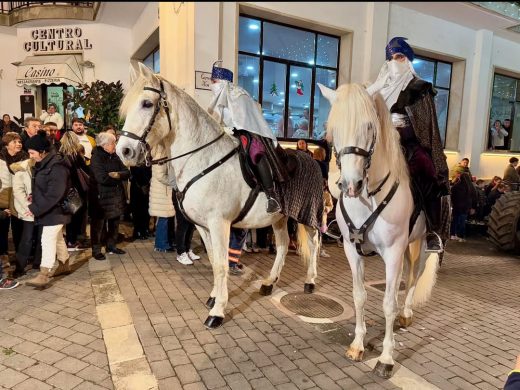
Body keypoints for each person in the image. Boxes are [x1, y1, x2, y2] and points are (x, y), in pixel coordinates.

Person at [367, 36, 450, 253]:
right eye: (391, 58)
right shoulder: (379, 91)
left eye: (400, 57)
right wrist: (374, 89)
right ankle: (343, 220)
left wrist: (400, 131)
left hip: (409, 144)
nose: (395, 61)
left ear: (408, 59)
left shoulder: (420, 88)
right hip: (380, 143)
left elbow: (425, 124)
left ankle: (433, 230)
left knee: (428, 171)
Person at [208, 60, 283, 214]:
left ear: (222, 82)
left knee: (255, 152)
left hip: (249, 132)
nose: (211, 84)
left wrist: (231, 129)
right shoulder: (219, 98)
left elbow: (245, 121)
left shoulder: (239, 95)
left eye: (213, 81)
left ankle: (271, 195)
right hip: (227, 133)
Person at [25, 131, 72, 288]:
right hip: (51, 210)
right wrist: (34, 196)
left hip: (56, 210)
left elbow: (54, 194)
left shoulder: (56, 166)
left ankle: (44, 274)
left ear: (42, 151)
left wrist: (34, 208)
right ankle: (64, 264)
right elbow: (45, 187)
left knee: (47, 238)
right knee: (57, 238)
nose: (30, 156)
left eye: (32, 152)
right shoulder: (46, 163)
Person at [89, 132, 130, 260]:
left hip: (115, 197)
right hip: (100, 198)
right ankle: (96, 250)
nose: (115, 145)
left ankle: (111, 246)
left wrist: (117, 175)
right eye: (113, 143)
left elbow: (127, 172)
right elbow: (101, 178)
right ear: (105, 145)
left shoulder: (114, 156)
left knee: (114, 223)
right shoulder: (97, 157)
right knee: (98, 226)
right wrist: (117, 178)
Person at [0, 132, 29, 275]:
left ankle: (20, 258)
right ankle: (4, 258)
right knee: (2, 230)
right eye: (14, 141)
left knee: (19, 229)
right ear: (7, 144)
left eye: (19, 141)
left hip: (18, 198)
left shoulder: (25, 157)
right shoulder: (0, 158)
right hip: (3, 197)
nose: (18, 144)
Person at [60, 131, 89, 250]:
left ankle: (70, 240)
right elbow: (85, 170)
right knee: (76, 217)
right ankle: (73, 241)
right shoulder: (76, 155)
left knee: (70, 217)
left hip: (66, 190)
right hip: (77, 191)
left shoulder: (60, 155)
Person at [149, 145, 176, 253]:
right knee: (163, 218)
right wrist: (174, 183)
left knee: (168, 218)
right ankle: (161, 244)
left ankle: (167, 241)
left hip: (165, 190)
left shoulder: (164, 153)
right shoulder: (160, 154)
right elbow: (160, 175)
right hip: (162, 191)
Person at [449, 172, 477, 242]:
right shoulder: (471, 187)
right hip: (465, 207)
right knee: (462, 221)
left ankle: (452, 234)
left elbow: (451, 196)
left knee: (455, 221)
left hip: (456, 206)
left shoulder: (456, 186)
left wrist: (452, 204)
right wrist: (473, 207)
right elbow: (474, 198)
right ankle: (460, 236)